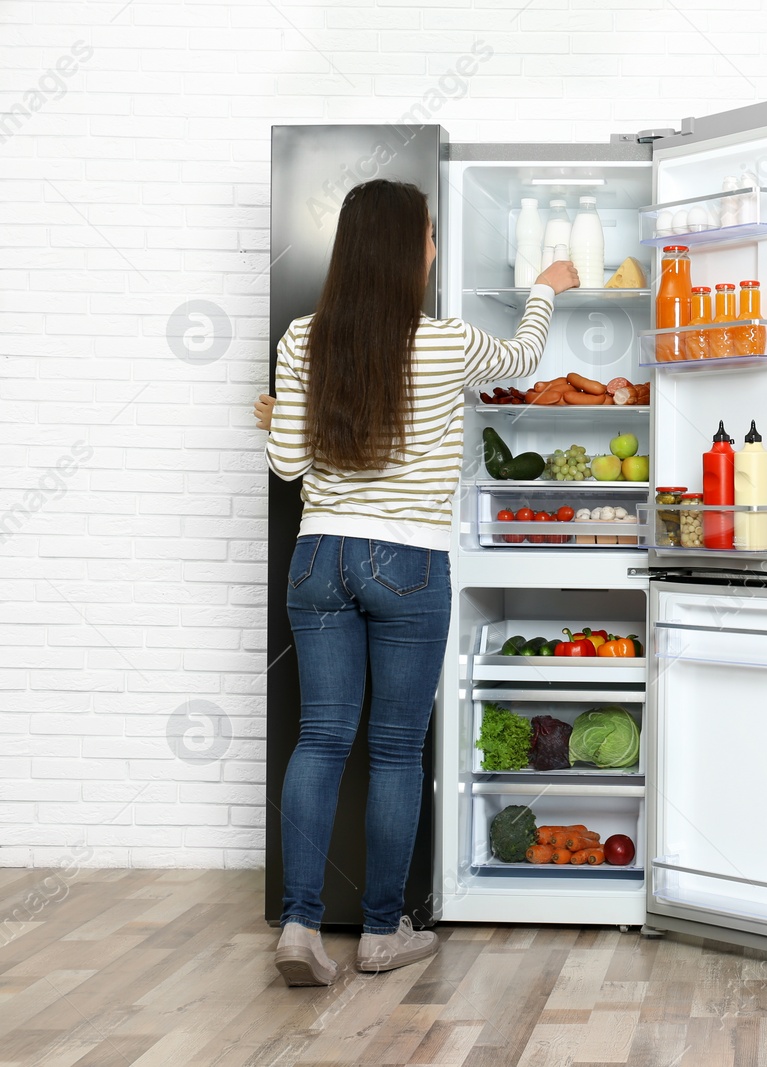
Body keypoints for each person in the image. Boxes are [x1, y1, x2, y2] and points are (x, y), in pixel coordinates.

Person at [254, 179, 577, 986]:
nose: (434, 249)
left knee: (321, 739)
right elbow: (524, 361)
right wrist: (545, 288)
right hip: (407, 562)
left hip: (319, 556)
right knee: (395, 749)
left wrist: (273, 417)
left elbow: (290, 464)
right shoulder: (448, 342)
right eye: (430, 237)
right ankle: (378, 934)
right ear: (411, 250)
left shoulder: (302, 338)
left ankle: (299, 925)